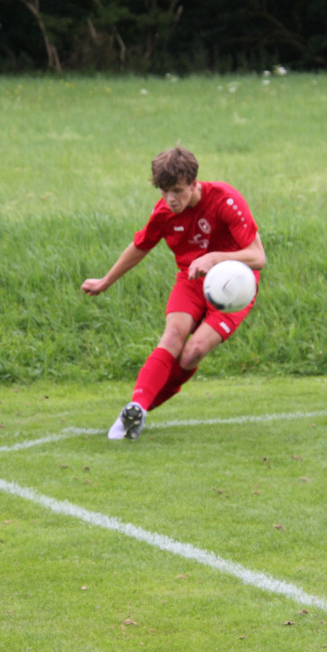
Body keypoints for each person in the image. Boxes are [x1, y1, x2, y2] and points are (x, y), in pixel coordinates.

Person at [81, 147, 266, 440]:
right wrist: (105, 281)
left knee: (193, 352)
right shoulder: (164, 212)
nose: (171, 199)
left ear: (194, 183)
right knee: (172, 337)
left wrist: (214, 258)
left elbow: (258, 257)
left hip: (234, 286)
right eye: (165, 191)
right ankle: (136, 408)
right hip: (191, 280)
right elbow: (141, 246)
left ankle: (141, 409)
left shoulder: (225, 200)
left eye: (178, 191)